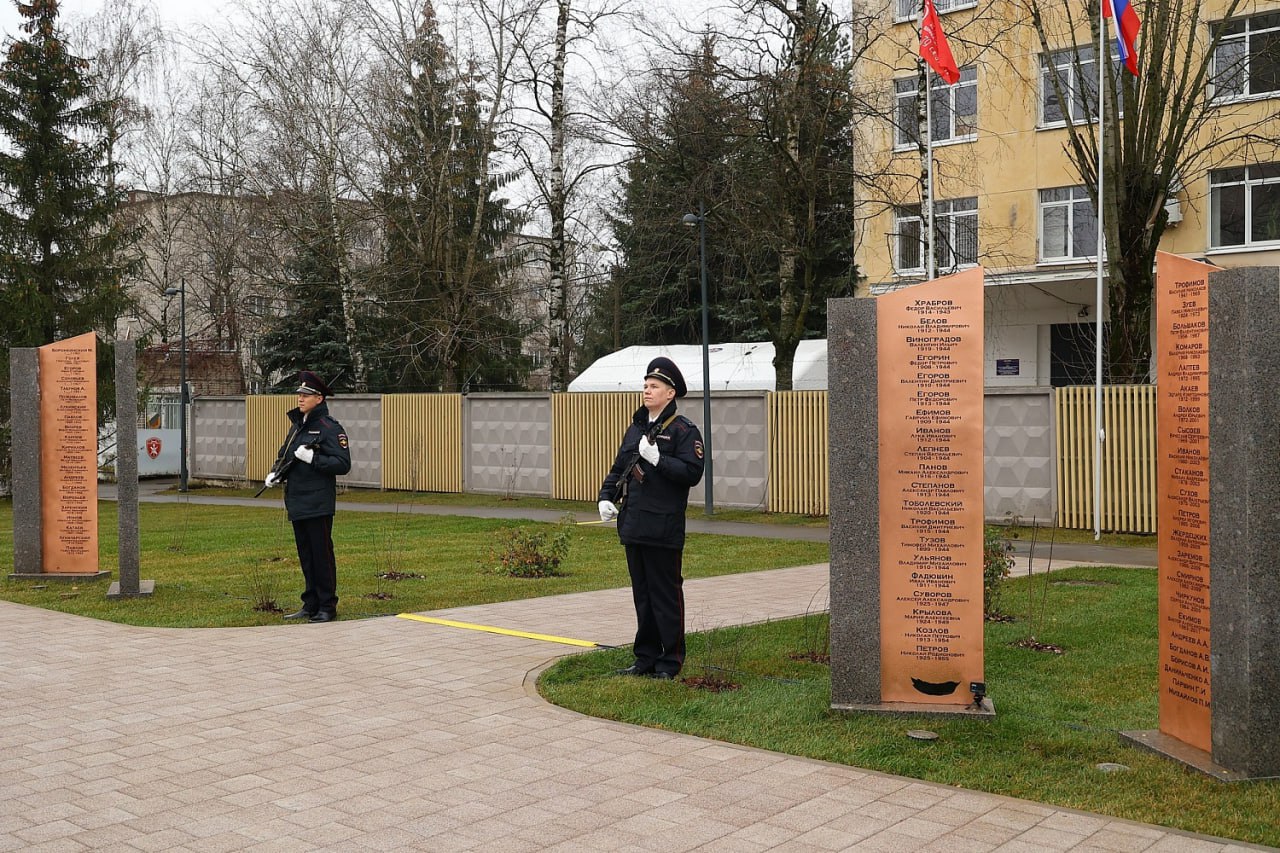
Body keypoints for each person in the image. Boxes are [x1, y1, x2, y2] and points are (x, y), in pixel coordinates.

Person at [598, 356, 705, 679]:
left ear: (670, 393)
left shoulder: (684, 431)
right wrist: (605, 497)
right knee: (642, 596)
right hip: (634, 525)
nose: (647, 391)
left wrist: (659, 459)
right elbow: (620, 468)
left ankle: (670, 661)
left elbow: (692, 472)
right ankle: (645, 657)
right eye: (645, 385)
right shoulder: (637, 428)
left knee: (665, 596)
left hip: (663, 526)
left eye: (654, 386)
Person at [263, 370, 351, 623]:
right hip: (298, 500)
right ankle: (310, 603)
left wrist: (313, 458)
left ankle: (327, 605)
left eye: (306, 395)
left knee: (321, 555)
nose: (300, 399)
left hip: (318, 502)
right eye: (299, 394)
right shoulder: (297, 426)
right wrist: (275, 473)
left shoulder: (329, 428)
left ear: (319, 398)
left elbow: (342, 463)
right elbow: (285, 455)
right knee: (306, 555)